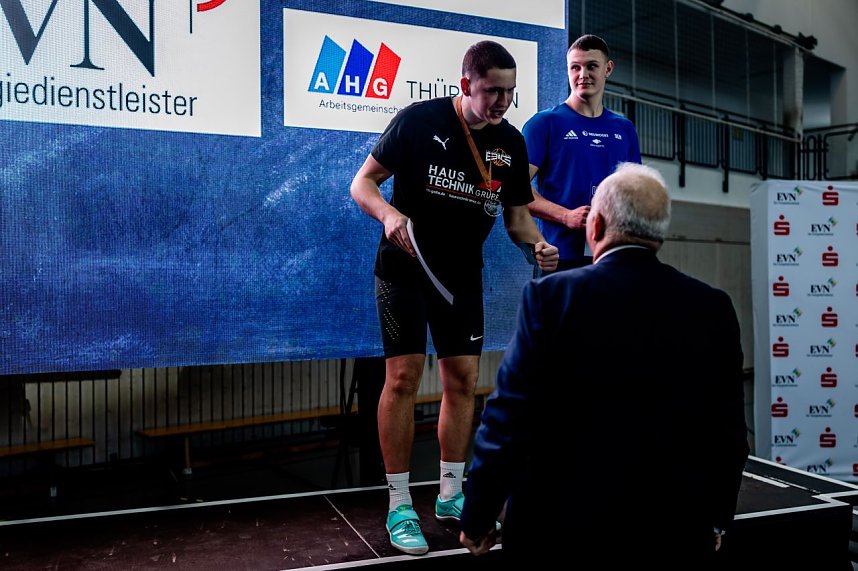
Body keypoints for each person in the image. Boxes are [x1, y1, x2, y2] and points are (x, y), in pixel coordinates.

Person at [459, 162, 749, 568]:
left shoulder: (552, 298)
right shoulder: (712, 308)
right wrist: (716, 518)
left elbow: (508, 419)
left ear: (594, 226)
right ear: (659, 233)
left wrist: (478, 516)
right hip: (674, 535)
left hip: (560, 537)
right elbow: (728, 431)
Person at [349, 40, 559, 556]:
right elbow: (363, 184)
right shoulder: (418, 120)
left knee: (462, 382)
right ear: (466, 84)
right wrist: (389, 214)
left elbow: (517, 218)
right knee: (402, 379)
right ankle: (400, 503)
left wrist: (537, 245)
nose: (502, 102)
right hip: (404, 268)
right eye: (492, 91)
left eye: (509, 92)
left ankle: (450, 493)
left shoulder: (510, 143)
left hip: (462, 277)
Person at [523, 34, 641, 270]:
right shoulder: (544, 123)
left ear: (608, 69)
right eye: (575, 67)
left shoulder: (624, 128)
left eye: (591, 66)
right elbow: (515, 191)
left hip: (610, 257)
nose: (582, 74)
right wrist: (565, 215)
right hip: (559, 258)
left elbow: (636, 194)